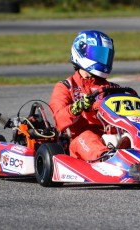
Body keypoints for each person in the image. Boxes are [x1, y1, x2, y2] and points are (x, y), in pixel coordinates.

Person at [49, 30, 118, 162]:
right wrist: (76, 108)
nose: (102, 60)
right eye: (98, 54)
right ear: (81, 52)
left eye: (105, 56)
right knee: (88, 137)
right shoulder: (66, 86)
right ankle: (108, 160)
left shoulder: (111, 88)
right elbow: (59, 121)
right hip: (80, 141)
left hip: (111, 136)